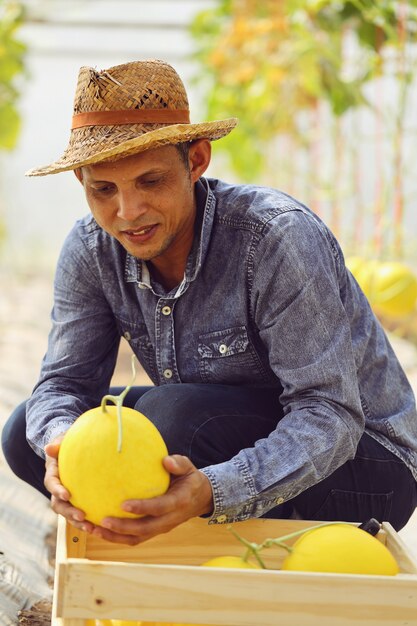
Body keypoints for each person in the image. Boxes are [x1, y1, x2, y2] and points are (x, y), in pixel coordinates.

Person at [2, 59, 417, 546]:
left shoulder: (275, 238)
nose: (127, 213)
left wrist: (214, 490)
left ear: (196, 160)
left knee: (172, 419)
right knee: (27, 434)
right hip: (215, 430)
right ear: (82, 184)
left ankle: (202, 555)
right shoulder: (92, 248)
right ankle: (161, 556)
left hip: (364, 465)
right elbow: (63, 384)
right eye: (103, 190)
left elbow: (330, 416)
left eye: (150, 181)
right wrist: (63, 454)